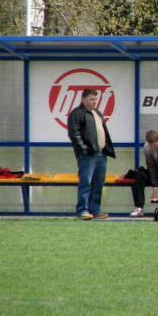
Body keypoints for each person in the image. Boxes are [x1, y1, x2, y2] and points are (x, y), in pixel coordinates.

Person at [67, 88, 116, 220]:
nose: (94, 102)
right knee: (86, 182)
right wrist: (83, 148)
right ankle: (82, 210)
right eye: (91, 99)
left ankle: (95, 210)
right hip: (88, 154)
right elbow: (74, 133)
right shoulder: (77, 113)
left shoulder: (97, 113)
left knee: (98, 183)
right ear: (83, 99)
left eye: (95, 99)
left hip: (100, 154)